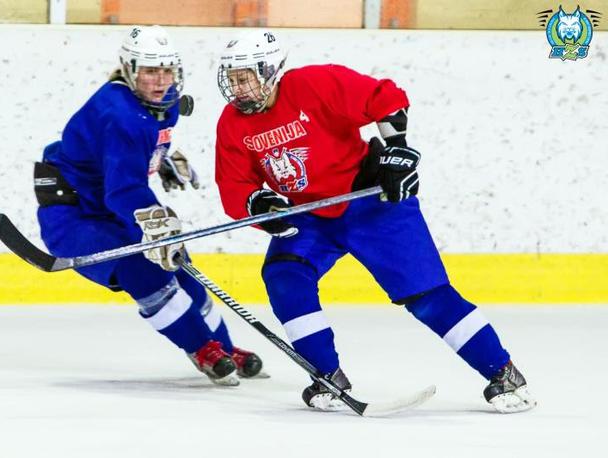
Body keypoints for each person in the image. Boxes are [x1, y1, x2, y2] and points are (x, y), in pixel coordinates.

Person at [212, 29, 536, 412]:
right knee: (285, 275)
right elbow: (234, 184)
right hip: (309, 214)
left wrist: (397, 152)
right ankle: (327, 377)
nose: (238, 87)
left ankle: (502, 372)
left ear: (270, 71)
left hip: (369, 201)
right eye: (232, 79)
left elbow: (385, 97)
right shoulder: (232, 123)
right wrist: (260, 205)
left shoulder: (315, 83)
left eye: (245, 77)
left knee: (426, 296)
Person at [34, 25, 263, 386]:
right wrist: (158, 221)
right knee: (141, 272)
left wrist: (161, 159)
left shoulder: (162, 102)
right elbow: (121, 189)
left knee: (180, 268)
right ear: (129, 69)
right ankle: (202, 348)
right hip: (76, 214)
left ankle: (224, 346)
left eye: (167, 69)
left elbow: (131, 153)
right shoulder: (119, 113)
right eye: (150, 71)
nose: (161, 80)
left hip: (113, 207)